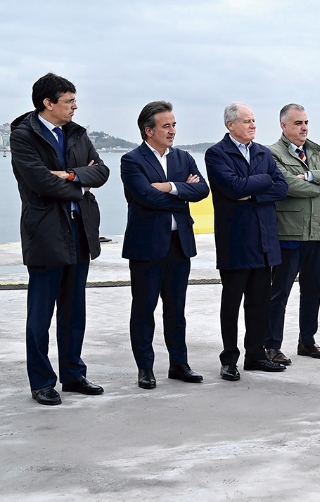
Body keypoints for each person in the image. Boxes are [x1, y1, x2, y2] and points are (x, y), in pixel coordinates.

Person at [10, 73, 110, 405]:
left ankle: (73, 374)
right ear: (47, 103)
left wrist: (69, 175)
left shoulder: (77, 134)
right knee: (40, 315)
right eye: (68, 101)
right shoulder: (24, 136)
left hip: (80, 232)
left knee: (74, 311)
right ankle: (41, 381)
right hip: (45, 234)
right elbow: (40, 183)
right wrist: (82, 181)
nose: (75, 107)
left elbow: (103, 171)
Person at [121, 101, 209, 389]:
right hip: (146, 246)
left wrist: (170, 186)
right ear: (149, 131)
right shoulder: (132, 160)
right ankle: (145, 368)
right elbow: (145, 196)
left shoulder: (183, 158)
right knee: (144, 310)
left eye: (174, 125)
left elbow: (202, 190)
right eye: (166, 126)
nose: (172, 130)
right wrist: (182, 190)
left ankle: (178, 364)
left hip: (178, 244)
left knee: (176, 309)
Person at [205, 102, 288, 380]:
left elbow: (281, 187)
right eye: (247, 121)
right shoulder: (217, 154)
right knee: (232, 303)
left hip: (265, 241)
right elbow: (232, 187)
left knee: (260, 303)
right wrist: (261, 182)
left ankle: (255, 355)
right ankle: (229, 358)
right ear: (231, 125)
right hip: (236, 241)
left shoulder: (263, 152)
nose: (253, 125)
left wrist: (253, 193)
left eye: (254, 121)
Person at [266, 104, 320, 364]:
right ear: (283, 126)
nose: (304, 128)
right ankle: (272, 345)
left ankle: (307, 341)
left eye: (306, 122)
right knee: (280, 292)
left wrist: (310, 175)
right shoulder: (272, 153)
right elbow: (287, 184)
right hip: (290, 233)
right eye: (298, 123)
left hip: (318, 232)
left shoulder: (316, 150)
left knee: (313, 291)